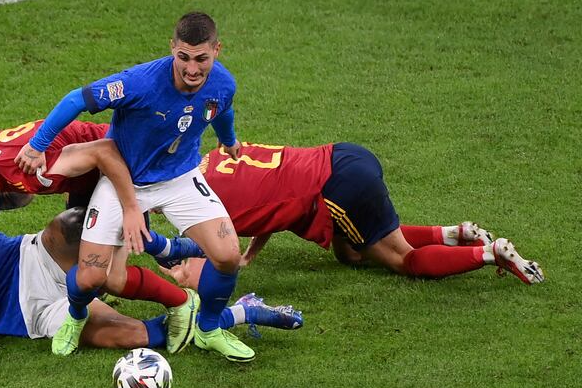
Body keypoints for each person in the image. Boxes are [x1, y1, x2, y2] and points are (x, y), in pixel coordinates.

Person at [14, 12, 252, 361]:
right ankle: (76, 316)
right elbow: (77, 100)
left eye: (201, 58)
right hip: (125, 180)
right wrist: (37, 145)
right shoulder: (139, 83)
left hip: (181, 179)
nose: (191, 69)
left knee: (228, 256)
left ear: (217, 50)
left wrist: (229, 141)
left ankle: (209, 329)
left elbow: (221, 108)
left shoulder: (223, 83)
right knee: (90, 278)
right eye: (183, 57)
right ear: (172, 48)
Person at [0, 180, 302, 345]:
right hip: (30, 314)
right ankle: (242, 312)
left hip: (32, 258)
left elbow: (15, 195)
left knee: (73, 221)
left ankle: (175, 249)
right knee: (132, 333)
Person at [149, 142, 545, 288]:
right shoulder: (216, 157)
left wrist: (178, 274)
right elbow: (268, 188)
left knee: (402, 259)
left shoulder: (207, 206)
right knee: (350, 254)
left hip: (337, 188)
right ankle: (454, 233)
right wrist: (256, 245)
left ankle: (491, 252)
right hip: (344, 155)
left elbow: (219, 263)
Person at [0, 121, 200, 333]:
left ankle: (183, 301)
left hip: (117, 166)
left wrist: (131, 207)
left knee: (111, 276)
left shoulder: (32, 168)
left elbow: (104, 151)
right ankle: (167, 250)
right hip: (87, 177)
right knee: (88, 263)